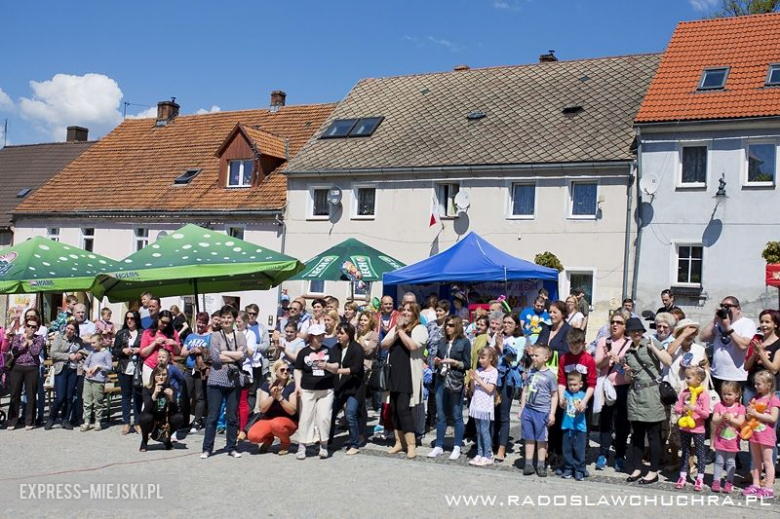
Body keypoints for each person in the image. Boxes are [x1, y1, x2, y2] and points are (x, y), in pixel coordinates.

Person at [623, 317, 672, 485]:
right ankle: (637, 467)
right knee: (636, 435)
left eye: (639, 330)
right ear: (628, 333)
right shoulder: (628, 352)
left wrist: (654, 349)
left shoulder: (652, 342)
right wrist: (628, 373)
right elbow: (628, 378)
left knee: (653, 435)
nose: (636, 333)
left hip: (651, 393)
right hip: (635, 395)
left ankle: (653, 471)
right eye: (632, 330)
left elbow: (668, 361)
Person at [381, 302, 427, 459]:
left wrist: (400, 331)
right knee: (393, 408)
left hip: (408, 374)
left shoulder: (420, 329)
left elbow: (413, 346)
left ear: (415, 314)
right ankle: (399, 442)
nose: (405, 313)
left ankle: (411, 444)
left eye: (409, 311)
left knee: (403, 409)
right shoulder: (396, 328)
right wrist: (397, 331)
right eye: (403, 310)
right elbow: (384, 344)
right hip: (393, 372)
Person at [201, 306, 247, 459]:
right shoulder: (215, 335)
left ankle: (231, 447)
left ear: (234, 319)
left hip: (235, 380)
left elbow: (244, 356)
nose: (227, 320)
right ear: (220, 319)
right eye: (224, 317)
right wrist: (235, 355)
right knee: (213, 415)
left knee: (232, 416)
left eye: (230, 317)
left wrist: (225, 353)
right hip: (217, 379)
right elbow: (215, 357)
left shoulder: (240, 335)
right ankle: (207, 448)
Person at [428, 316, 471, 461]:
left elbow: (467, 364)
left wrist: (454, 362)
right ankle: (438, 445)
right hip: (441, 378)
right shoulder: (442, 341)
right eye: (447, 325)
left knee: (457, 414)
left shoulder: (464, 342)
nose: (447, 327)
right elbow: (436, 358)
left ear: (457, 326)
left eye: (451, 325)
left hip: (455, 380)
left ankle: (457, 446)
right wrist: (436, 361)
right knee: (441, 414)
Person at [594, 308, 631, 471]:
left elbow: (632, 367)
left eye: (619, 322)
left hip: (623, 387)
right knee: (606, 422)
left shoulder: (630, 343)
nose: (615, 325)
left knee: (622, 424)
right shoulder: (604, 341)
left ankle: (620, 455)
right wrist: (607, 357)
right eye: (613, 322)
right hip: (606, 387)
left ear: (624, 326)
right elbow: (597, 365)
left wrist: (620, 362)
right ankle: (603, 453)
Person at [293, 324, 335, 460]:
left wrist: (327, 365)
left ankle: (323, 444)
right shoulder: (304, 352)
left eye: (322, 335)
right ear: (311, 337)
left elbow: (336, 367)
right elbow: (298, 369)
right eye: (318, 336)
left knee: (324, 418)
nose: (321, 338)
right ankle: (302, 446)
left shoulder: (329, 350)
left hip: (326, 389)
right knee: (305, 417)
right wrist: (297, 386)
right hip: (308, 389)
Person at [700, 296, 755, 393]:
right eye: (722, 306)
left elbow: (743, 345)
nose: (725, 309)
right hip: (716, 374)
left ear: (738, 309)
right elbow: (703, 338)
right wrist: (715, 320)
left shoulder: (747, 323)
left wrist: (728, 327)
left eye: (728, 306)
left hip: (736, 376)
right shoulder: (719, 323)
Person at [325, 323, 365, 455]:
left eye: (342, 333)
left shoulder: (357, 349)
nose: (339, 336)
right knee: (330, 413)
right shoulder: (335, 348)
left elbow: (356, 369)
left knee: (350, 413)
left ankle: (354, 443)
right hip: (339, 387)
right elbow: (330, 364)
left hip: (354, 387)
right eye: (338, 333)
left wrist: (337, 370)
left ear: (349, 334)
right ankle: (327, 440)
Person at [520, 344, 558, 477]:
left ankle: (541, 464)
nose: (534, 358)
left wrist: (552, 413)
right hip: (529, 410)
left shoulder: (550, 376)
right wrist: (522, 409)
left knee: (542, 440)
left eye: (537, 355)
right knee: (529, 438)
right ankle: (528, 464)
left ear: (545, 358)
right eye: (533, 355)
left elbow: (554, 395)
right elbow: (525, 391)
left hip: (542, 411)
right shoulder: (530, 372)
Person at [247, 359, 298, 455]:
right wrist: (272, 396)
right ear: (275, 371)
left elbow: (292, 410)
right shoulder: (266, 385)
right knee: (253, 436)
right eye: (282, 370)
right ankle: (269, 438)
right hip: (269, 419)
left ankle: (285, 443)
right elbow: (262, 408)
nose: (286, 372)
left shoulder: (292, 386)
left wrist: (280, 397)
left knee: (277, 424)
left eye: (288, 370)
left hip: (289, 421)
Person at [493, 313, 525, 462]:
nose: (506, 325)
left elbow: (514, 361)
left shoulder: (520, 340)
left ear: (516, 325)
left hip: (508, 380)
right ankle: (492, 442)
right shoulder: (497, 336)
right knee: (493, 412)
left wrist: (501, 346)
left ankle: (502, 447)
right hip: (494, 377)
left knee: (504, 414)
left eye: (510, 323)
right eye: (504, 322)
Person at [672, 366, 711, 490]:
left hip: (698, 429)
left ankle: (700, 478)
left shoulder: (704, 395)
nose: (686, 380)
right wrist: (682, 409)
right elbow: (676, 408)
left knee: (700, 453)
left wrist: (696, 409)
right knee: (685, 451)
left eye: (689, 377)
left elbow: (706, 414)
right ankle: (683, 475)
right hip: (685, 428)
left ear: (699, 379)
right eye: (685, 377)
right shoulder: (684, 393)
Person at [742, 371, 779, 498]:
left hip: (767, 435)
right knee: (756, 461)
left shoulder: (773, 400)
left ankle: (768, 488)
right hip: (755, 434)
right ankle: (756, 484)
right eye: (755, 384)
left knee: (768, 462)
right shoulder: (755, 398)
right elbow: (749, 417)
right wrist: (748, 413)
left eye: (759, 384)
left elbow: (773, 418)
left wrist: (756, 414)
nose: (756, 386)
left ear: (768, 385)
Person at [6, 315, 44, 430]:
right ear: (25, 326)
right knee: (14, 395)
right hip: (17, 367)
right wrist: (24, 342)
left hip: (32, 368)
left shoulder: (39, 338)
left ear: (37, 328)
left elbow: (35, 352)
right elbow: (15, 351)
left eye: (34, 327)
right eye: (29, 326)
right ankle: (12, 420)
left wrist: (30, 341)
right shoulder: (17, 337)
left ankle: (29, 421)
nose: (31, 329)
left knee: (31, 395)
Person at [46, 321, 82, 430]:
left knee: (69, 397)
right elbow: (53, 353)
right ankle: (52, 418)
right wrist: (68, 356)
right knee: (60, 397)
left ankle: (66, 420)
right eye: (68, 328)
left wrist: (80, 354)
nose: (69, 331)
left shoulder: (78, 340)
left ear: (75, 331)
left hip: (74, 370)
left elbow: (83, 351)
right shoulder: (59, 338)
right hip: (61, 369)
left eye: (72, 329)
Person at [139, 364, 184, 452]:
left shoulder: (171, 388)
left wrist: (171, 398)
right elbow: (147, 409)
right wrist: (155, 394)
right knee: (145, 418)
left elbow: (176, 411)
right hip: (151, 417)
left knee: (179, 418)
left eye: (164, 375)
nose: (161, 377)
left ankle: (166, 438)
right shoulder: (147, 388)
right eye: (158, 375)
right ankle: (144, 440)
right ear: (154, 376)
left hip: (164, 417)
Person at [711, 381, 745, 493]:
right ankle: (716, 481)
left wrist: (731, 419)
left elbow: (740, 422)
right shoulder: (718, 406)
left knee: (731, 462)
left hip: (733, 441)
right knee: (719, 461)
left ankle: (729, 482)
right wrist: (721, 418)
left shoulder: (740, 408)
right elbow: (714, 421)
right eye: (724, 394)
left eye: (729, 394)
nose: (726, 396)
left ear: (737, 395)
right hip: (720, 440)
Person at [113, 310, 143, 435]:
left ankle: (137, 422)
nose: (129, 320)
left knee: (137, 396)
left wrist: (138, 350)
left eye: (132, 318)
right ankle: (126, 423)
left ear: (136, 319)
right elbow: (114, 351)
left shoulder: (142, 333)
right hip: (124, 368)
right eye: (127, 318)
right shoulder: (121, 333)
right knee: (125, 396)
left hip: (138, 367)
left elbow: (146, 349)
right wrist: (123, 350)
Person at [467, 346, 498, 467]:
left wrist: (478, 379)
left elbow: (490, 389)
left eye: (483, 358)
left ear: (490, 358)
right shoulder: (479, 371)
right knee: (478, 431)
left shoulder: (493, 372)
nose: (480, 360)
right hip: (477, 405)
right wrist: (471, 380)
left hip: (485, 406)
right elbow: (473, 390)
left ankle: (488, 454)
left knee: (485, 431)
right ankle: (480, 453)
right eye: (480, 358)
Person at [181, 312, 211, 432]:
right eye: (199, 322)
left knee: (200, 396)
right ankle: (184, 420)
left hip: (201, 369)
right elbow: (182, 353)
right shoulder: (190, 336)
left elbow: (212, 353)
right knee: (185, 395)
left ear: (206, 323)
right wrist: (191, 351)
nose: (201, 325)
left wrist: (201, 350)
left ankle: (197, 420)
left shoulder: (210, 337)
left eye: (203, 322)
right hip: (189, 369)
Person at [744, 309, 780, 404]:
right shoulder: (756, 341)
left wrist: (760, 353)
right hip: (752, 388)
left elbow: (774, 369)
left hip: (770, 392)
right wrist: (754, 354)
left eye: (767, 322)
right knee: (750, 418)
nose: (764, 325)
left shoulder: (778, 344)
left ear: (775, 324)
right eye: (762, 322)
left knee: (768, 418)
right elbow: (746, 367)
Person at [80, 334, 113, 432]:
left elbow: (109, 367)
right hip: (88, 380)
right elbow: (85, 364)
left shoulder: (106, 353)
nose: (92, 345)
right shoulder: (92, 353)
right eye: (91, 343)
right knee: (87, 401)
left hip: (99, 381)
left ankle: (98, 421)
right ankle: (87, 421)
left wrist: (99, 366)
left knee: (98, 402)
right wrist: (87, 370)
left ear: (101, 342)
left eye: (94, 343)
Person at [140, 310, 181, 387]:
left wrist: (174, 344)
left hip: (166, 369)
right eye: (163, 322)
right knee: (148, 392)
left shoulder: (173, 333)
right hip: (150, 367)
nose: (165, 325)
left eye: (167, 323)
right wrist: (154, 343)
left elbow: (178, 352)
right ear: (158, 318)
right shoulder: (148, 332)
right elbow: (143, 353)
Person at [236, 311, 259, 440]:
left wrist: (239, 349)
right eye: (237, 322)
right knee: (233, 402)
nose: (237, 324)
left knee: (242, 402)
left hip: (244, 370)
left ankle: (242, 429)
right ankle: (234, 426)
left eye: (239, 322)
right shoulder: (233, 333)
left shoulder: (250, 334)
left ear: (245, 322)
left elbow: (250, 351)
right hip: (233, 370)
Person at [560, 371, 588, 480]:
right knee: (566, 448)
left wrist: (581, 407)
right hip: (567, 426)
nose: (572, 387)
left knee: (579, 449)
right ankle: (568, 468)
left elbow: (585, 407)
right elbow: (563, 405)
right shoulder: (566, 394)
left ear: (580, 384)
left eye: (574, 385)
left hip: (580, 427)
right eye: (570, 385)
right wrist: (563, 404)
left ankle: (579, 469)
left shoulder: (583, 395)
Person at [537, 301, 571, 367]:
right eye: (550, 312)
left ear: (563, 314)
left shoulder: (568, 331)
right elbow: (537, 344)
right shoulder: (545, 329)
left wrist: (550, 354)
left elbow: (567, 353)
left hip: (559, 369)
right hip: (541, 368)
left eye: (554, 312)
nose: (551, 315)